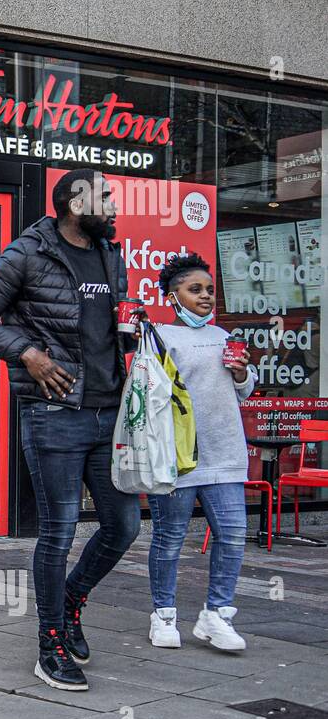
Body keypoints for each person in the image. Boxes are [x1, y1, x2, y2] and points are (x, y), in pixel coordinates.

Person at [0, 168, 142, 691]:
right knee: (58, 533)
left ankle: (72, 598)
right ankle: (50, 644)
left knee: (123, 526)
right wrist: (29, 354)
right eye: (103, 196)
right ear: (71, 202)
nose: (112, 204)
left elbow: (104, 329)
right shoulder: (27, 253)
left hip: (111, 414)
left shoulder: (111, 254)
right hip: (55, 414)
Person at [146, 254, 256, 652]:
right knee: (169, 539)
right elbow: (149, 393)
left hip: (225, 453)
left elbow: (244, 388)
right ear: (172, 297)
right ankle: (164, 615)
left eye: (210, 290)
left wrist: (243, 372)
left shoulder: (225, 337)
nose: (206, 297)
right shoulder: (159, 336)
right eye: (195, 290)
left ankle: (217, 614)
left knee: (232, 536)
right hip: (176, 458)